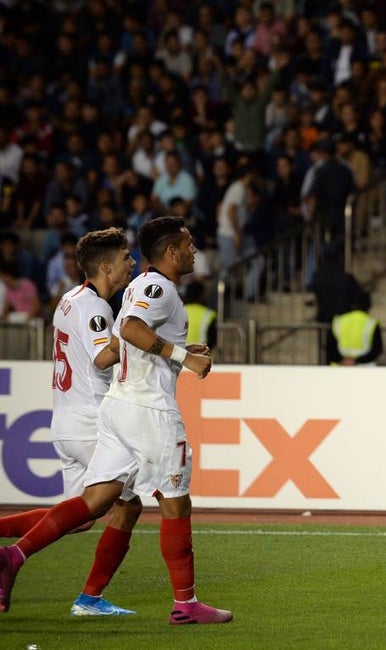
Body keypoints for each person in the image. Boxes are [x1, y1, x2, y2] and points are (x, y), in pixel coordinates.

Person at [0, 217, 231, 624]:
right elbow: (127, 330)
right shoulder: (151, 289)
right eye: (189, 243)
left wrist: (176, 347)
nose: (195, 250)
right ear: (172, 251)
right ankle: (186, 603)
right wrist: (185, 358)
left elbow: (128, 336)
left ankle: (17, 557)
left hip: (114, 407)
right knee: (174, 501)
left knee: (97, 505)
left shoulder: (132, 288)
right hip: (142, 410)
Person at [0, 228, 139, 616]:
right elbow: (101, 358)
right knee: (127, 505)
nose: (132, 265)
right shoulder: (96, 308)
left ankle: (12, 548)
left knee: (78, 517)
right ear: (106, 266)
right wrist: (141, 336)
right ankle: (86, 596)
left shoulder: (68, 300)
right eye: (127, 258)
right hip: (92, 422)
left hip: (65, 420)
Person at [326, 295, 383, 366]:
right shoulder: (371, 323)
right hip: (364, 368)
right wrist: (355, 360)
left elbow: (330, 348)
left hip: (339, 368)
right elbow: (377, 350)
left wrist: (342, 360)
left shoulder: (338, 321)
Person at [183, 281, 217, 350]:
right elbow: (213, 340)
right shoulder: (209, 314)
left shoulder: (179, 311)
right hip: (203, 356)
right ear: (202, 295)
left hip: (182, 356)